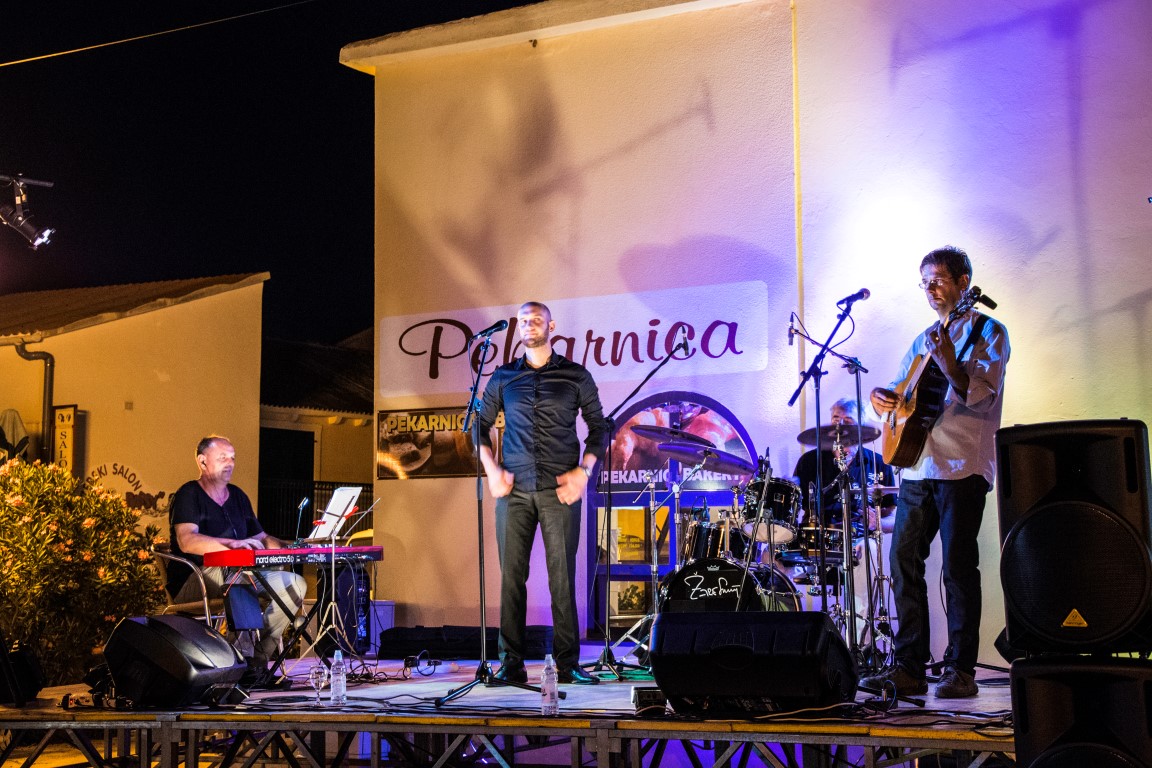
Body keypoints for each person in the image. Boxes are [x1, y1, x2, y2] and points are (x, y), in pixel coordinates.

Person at [862, 246, 1010, 698]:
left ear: (964, 283)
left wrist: (948, 360)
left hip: (963, 465)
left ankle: (961, 670)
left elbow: (980, 396)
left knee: (958, 568)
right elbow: (902, 392)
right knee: (902, 561)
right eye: (924, 281)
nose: (929, 289)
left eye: (938, 280)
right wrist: (882, 399)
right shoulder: (924, 337)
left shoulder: (989, 331)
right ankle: (909, 665)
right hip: (917, 466)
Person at [478, 301, 610, 685]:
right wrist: (492, 471)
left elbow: (599, 427)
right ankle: (511, 664)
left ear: (551, 326)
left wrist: (584, 473)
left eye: (536, 319)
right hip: (514, 490)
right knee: (511, 579)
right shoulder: (503, 377)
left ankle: (568, 665)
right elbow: (479, 426)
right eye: (523, 320)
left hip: (560, 488)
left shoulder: (575, 375)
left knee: (562, 579)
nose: (528, 325)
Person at [168, 435, 306, 677]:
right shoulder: (189, 494)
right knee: (239, 576)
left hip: (241, 574)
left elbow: (262, 538)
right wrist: (232, 545)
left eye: (232, 458)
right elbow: (187, 541)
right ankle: (239, 661)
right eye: (223, 457)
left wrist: (294, 547)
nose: (230, 463)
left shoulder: (238, 496)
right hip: (196, 578)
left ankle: (257, 660)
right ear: (202, 461)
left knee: (295, 584)